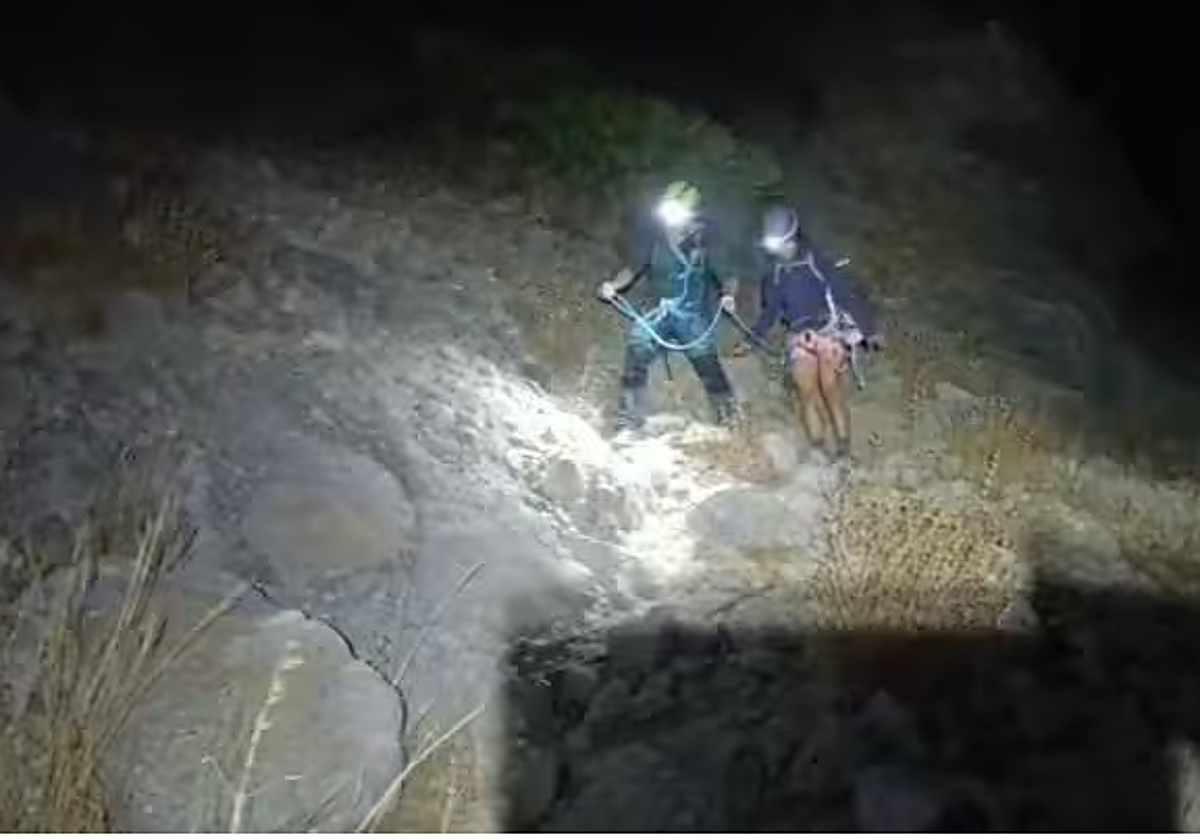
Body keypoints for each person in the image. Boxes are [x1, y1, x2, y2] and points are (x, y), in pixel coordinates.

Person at [731, 204, 881, 460]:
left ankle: (844, 451)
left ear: (791, 236)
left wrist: (869, 331)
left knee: (831, 389)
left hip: (830, 331)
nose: (776, 248)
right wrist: (751, 340)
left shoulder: (817, 261)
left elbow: (846, 295)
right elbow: (771, 311)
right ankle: (818, 450)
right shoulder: (775, 273)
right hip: (800, 337)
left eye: (780, 242)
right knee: (806, 393)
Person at [599, 181, 740, 433]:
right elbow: (633, 268)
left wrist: (729, 296)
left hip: (691, 314)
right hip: (661, 310)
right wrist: (614, 285)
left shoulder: (704, 242)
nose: (669, 218)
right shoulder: (655, 240)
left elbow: (729, 276)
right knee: (638, 345)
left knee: (706, 360)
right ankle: (628, 418)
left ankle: (729, 415)